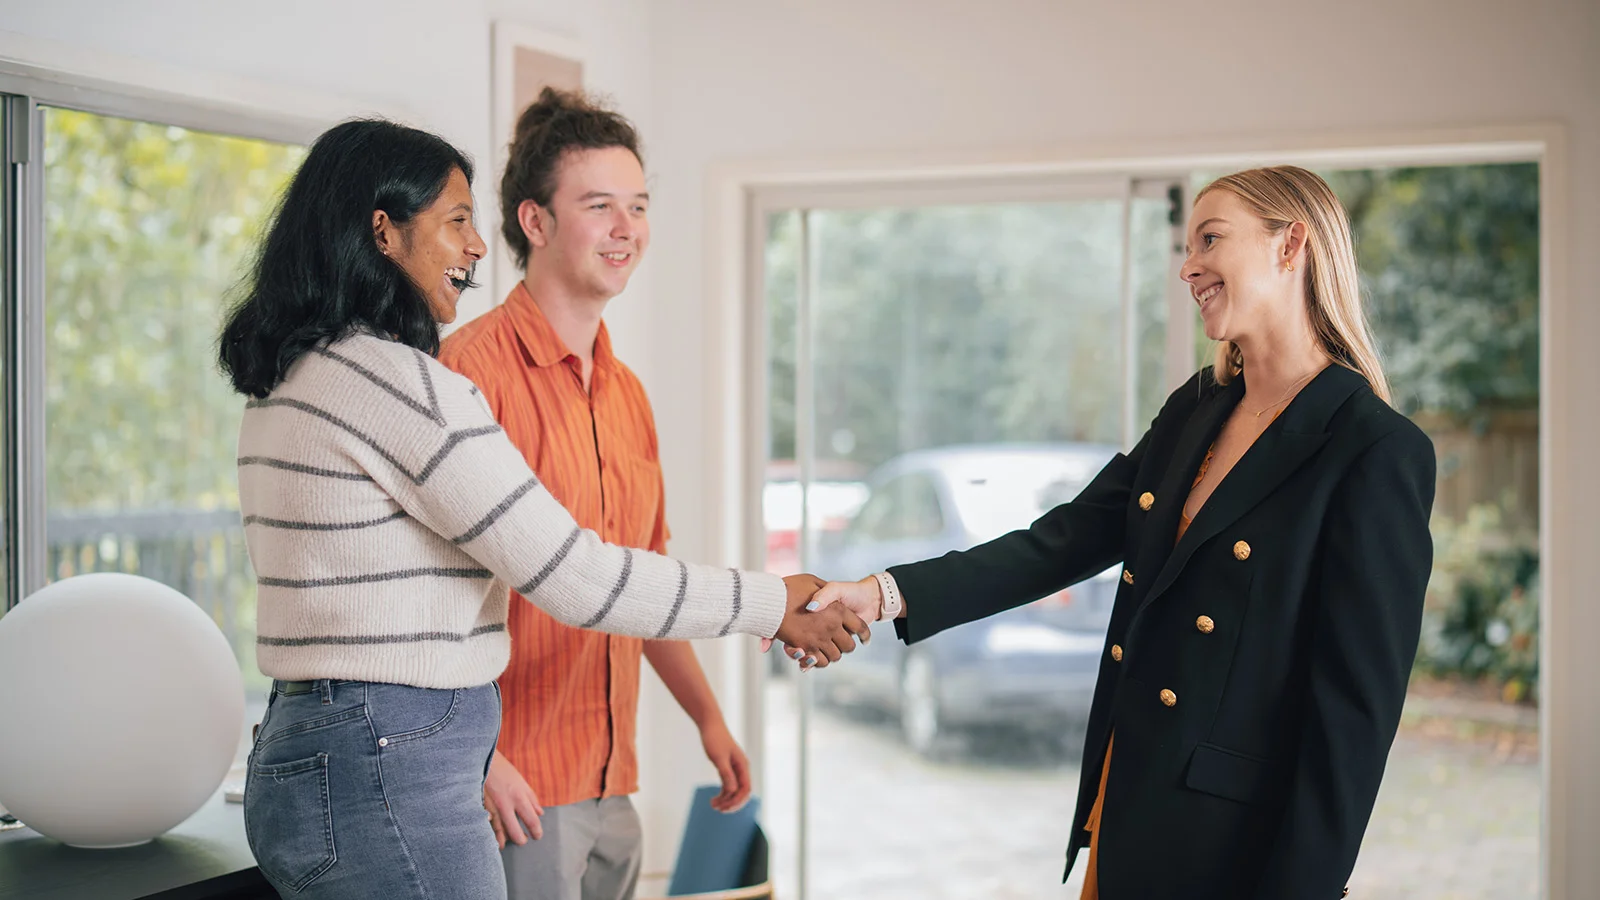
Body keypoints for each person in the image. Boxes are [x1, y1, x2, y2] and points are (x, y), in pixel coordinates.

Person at [219, 118, 866, 900]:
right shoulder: (414, 383)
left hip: (328, 745)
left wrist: (708, 712)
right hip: (402, 757)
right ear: (383, 231)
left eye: (638, 205)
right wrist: (773, 600)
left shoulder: (295, 379)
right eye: (456, 221)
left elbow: (631, 564)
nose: (476, 246)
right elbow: (579, 577)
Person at [807, 166, 1436, 899]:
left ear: (1290, 244)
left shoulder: (1372, 448)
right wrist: (883, 593)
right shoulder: (1198, 407)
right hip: (1126, 805)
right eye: (1189, 245)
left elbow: (1352, 722)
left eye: (1211, 239)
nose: (1189, 266)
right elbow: (1063, 541)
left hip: (1232, 850)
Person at [437, 87, 757, 900]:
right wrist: (480, 759)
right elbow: (426, 599)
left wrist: (707, 718)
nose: (627, 228)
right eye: (600, 206)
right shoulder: (467, 374)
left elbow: (642, 580)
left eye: (638, 206)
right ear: (535, 221)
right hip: (514, 791)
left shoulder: (627, 394)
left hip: (613, 782)